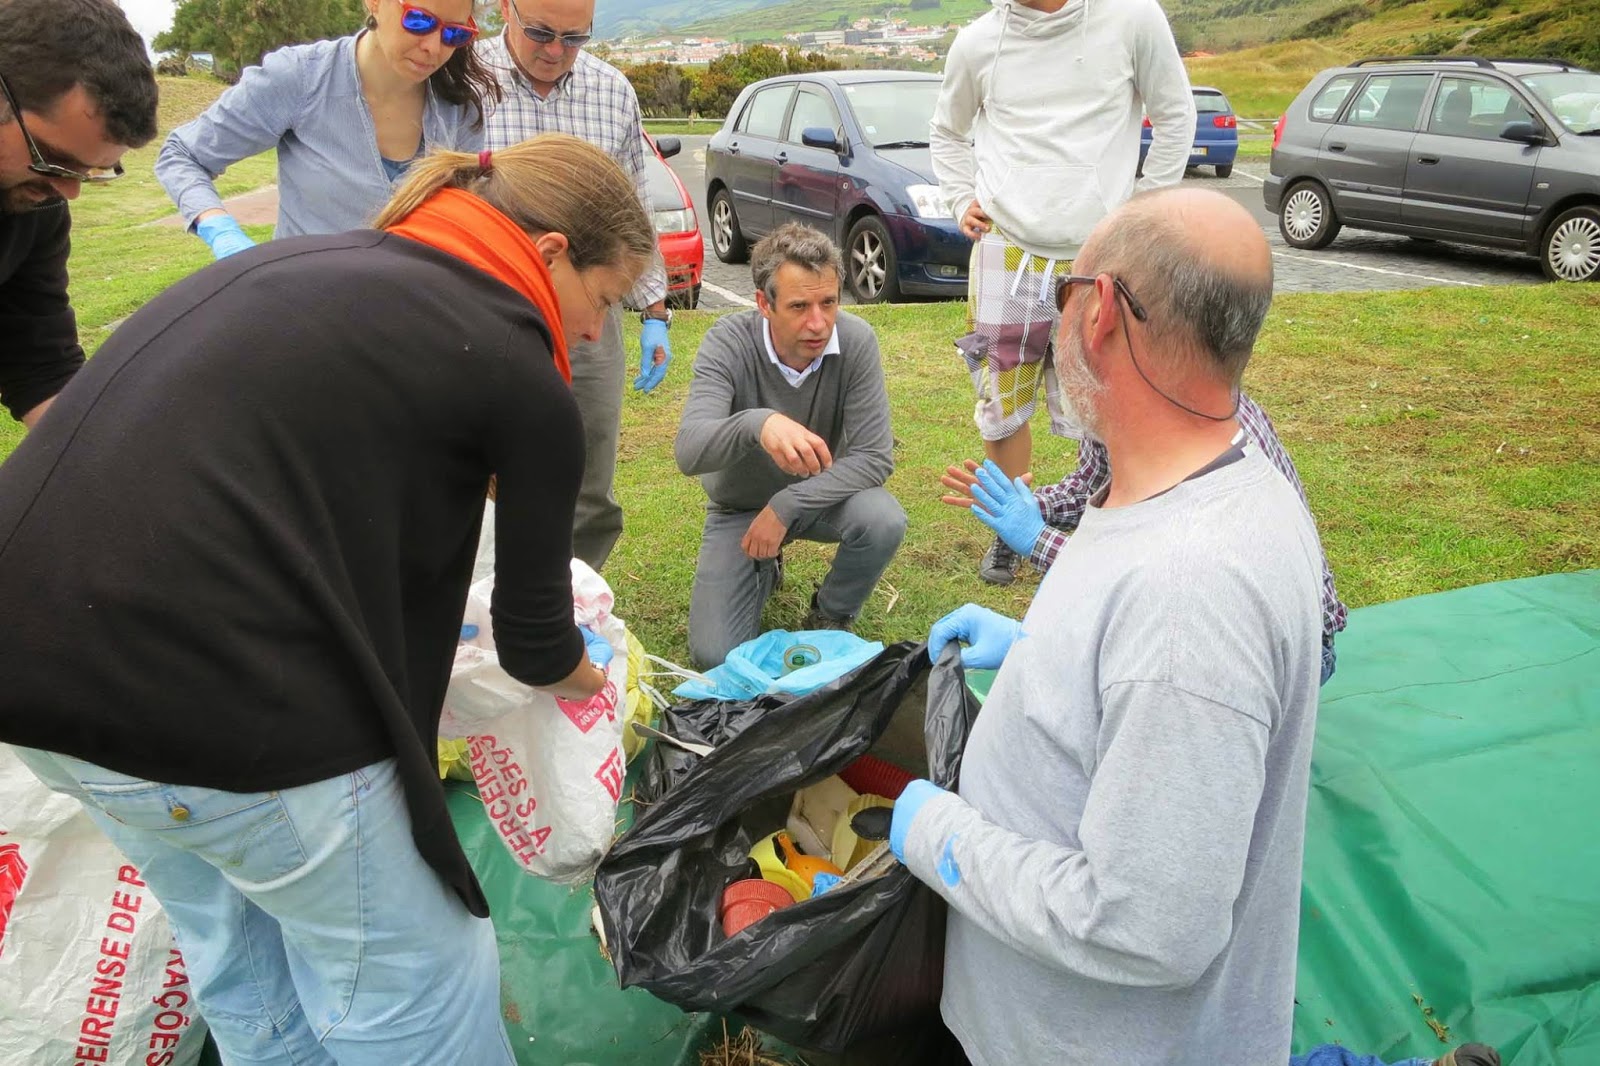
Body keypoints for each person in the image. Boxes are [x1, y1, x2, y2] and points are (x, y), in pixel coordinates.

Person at [0, 134, 655, 1064]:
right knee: (418, 984)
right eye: (606, 299)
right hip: (218, 704)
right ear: (549, 252)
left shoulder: (306, 263)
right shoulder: (519, 366)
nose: (594, 334)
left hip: (31, 678)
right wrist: (597, 679)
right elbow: (536, 645)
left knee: (246, 962)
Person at [888, 186, 1325, 1065]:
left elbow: (1148, 928)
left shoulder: (1191, 594)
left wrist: (938, 835)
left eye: (1063, 292)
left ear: (1101, 315)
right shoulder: (1188, 476)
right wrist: (1041, 655)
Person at [931, 0, 1196, 585]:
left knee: (1112, 396)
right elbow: (947, 131)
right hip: (1004, 249)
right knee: (1002, 404)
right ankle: (1010, 530)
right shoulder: (977, 41)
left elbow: (1176, 116)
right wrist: (959, 196)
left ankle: (1111, 524)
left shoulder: (1133, 18)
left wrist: (1143, 210)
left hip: (1103, 251)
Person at [941, 387, 1350, 682]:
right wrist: (1028, 506)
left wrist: (1036, 540)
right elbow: (1091, 485)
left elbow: (1150, 581)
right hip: (1217, 623)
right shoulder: (1125, 399)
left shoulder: (1198, 437)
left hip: (1289, 656)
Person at [479, 0, 674, 570]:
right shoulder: (462, 80)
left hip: (589, 309)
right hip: (487, 311)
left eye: (574, 38)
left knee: (587, 468)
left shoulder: (612, 91)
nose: (555, 51)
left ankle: (577, 595)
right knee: (488, 468)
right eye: (541, 33)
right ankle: (492, 592)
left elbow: (635, 206)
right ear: (505, 9)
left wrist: (654, 311)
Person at [674, 223, 905, 670]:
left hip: (819, 498)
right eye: (799, 306)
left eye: (829, 303)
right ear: (764, 304)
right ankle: (765, 565)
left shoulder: (856, 340)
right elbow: (689, 452)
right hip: (739, 508)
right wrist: (757, 424)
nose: (818, 323)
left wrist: (786, 506)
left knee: (883, 518)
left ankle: (831, 614)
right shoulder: (727, 342)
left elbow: (875, 457)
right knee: (715, 655)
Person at [155, 0, 498, 256]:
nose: (433, 47)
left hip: (410, 315)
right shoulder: (299, 77)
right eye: (419, 21)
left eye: (454, 34)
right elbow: (182, 154)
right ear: (375, 3)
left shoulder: (460, 111)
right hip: (302, 311)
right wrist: (221, 232)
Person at [0, 0, 156, 429]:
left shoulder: (35, 202)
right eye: (51, 158)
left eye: (89, 172)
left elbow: (40, 365)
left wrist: (109, 455)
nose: (67, 191)